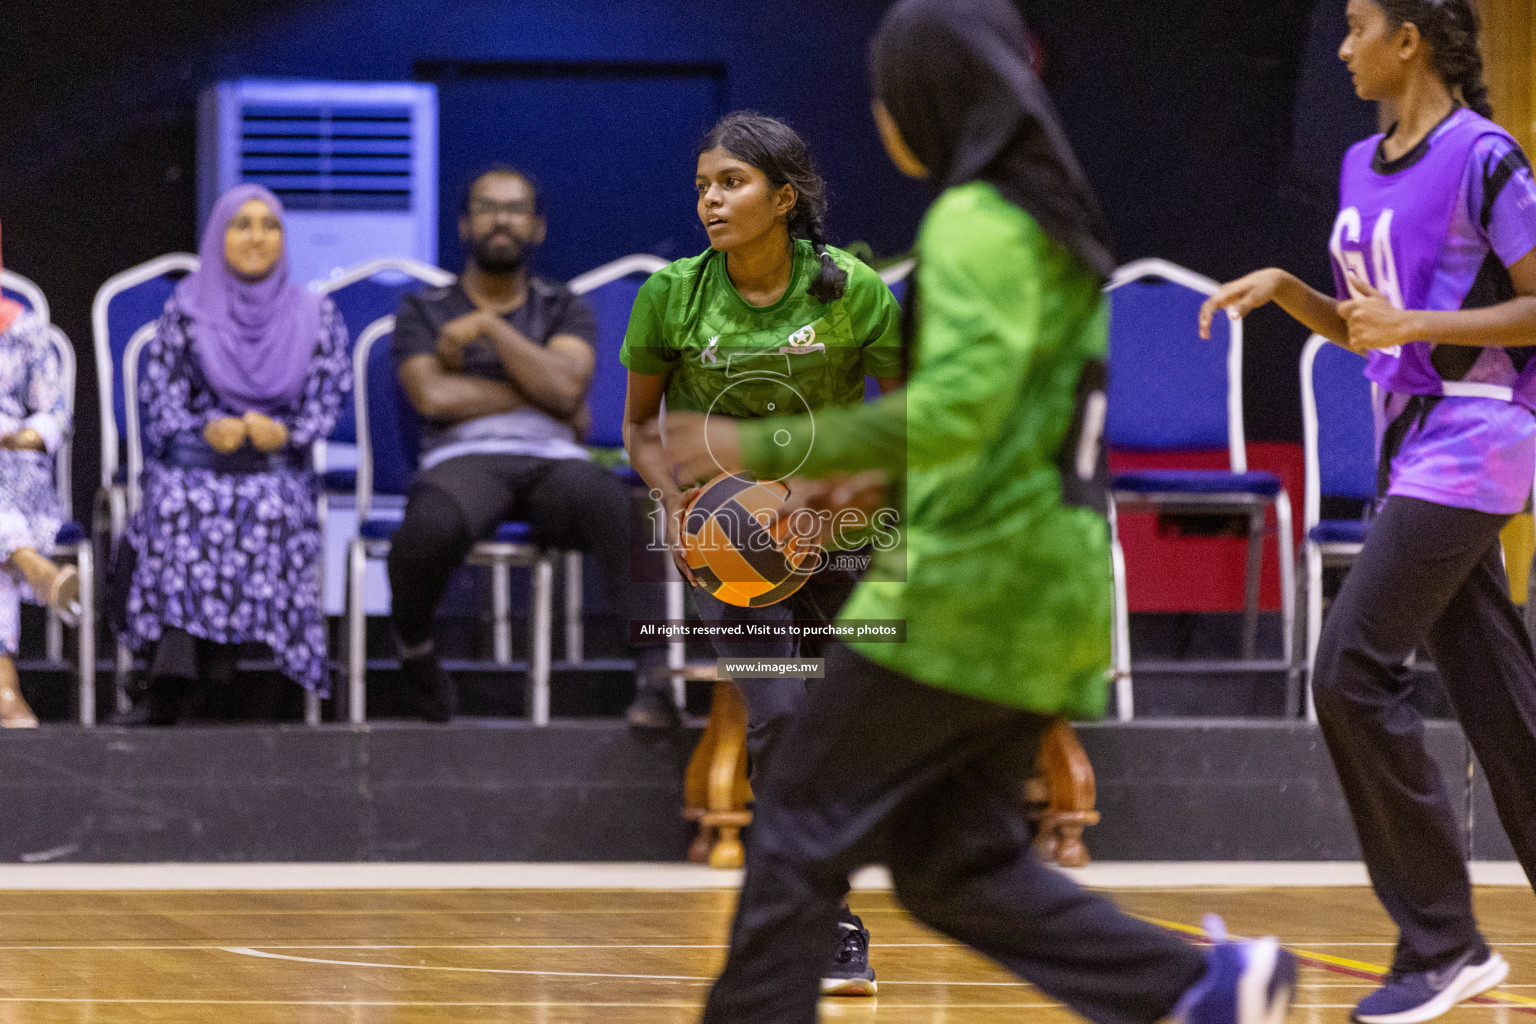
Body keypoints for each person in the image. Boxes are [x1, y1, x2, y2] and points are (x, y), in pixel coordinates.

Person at [659, 2, 1298, 1022]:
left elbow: (958, 411)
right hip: (1052, 588)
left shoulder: (975, 221)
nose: (877, 110)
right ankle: (1200, 987)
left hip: (970, 590)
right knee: (954, 861)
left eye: (886, 88)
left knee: (796, 818)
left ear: (926, 97)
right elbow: (1003, 423)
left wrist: (756, 446)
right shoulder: (1049, 223)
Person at [1200, 1, 1536, 1018]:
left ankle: (1443, 942)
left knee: (1349, 667)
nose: (1340, 49)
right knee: (1503, 706)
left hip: (1482, 431)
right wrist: (1292, 291)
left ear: (1411, 39)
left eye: (1354, 27)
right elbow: (1370, 331)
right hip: (1410, 445)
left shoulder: (1487, 157)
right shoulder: (1358, 165)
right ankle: (1445, 938)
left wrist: (1421, 320)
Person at [621, 111, 903, 996]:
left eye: (731, 183)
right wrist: (682, 519)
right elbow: (637, 428)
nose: (710, 199)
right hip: (729, 546)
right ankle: (825, 921)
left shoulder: (854, 291)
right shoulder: (672, 292)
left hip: (834, 534)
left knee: (835, 731)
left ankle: (804, 902)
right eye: (703, 184)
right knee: (781, 714)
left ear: (784, 199)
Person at [388, 166, 667, 722]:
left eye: (515, 209)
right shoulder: (424, 310)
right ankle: (415, 650)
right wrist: (535, 395)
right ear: (465, 225)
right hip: (462, 458)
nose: (501, 220)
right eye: (488, 207)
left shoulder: (565, 307)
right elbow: (432, 398)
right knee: (426, 530)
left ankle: (655, 674)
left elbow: (567, 386)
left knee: (620, 507)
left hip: (554, 462)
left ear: (536, 228)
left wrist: (491, 330)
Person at [117, 185, 350, 725]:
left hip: (275, 468)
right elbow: (162, 399)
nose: (256, 237)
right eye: (241, 224)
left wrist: (286, 433)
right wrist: (206, 427)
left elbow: (326, 400)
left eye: (269, 225)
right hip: (195, 461)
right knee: (176, 500)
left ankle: (209, 668)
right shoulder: (189, 308)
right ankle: (177, 661)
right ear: (218, 235)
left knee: (268, 506)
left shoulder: (315, 314)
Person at [0, 222, 79, 728]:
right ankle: (32, 564)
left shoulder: (23, 328)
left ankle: (5, 690)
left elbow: (54, 413)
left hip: (16, 473)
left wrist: (27, 435)